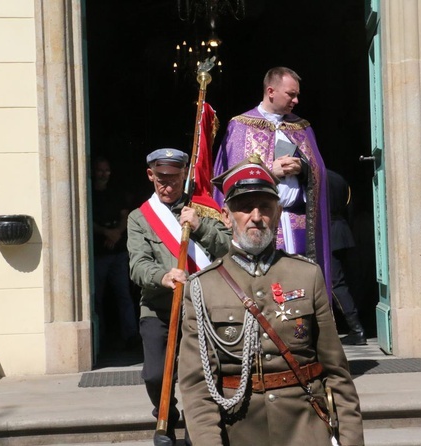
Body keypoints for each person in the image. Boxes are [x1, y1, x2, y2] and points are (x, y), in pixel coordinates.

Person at [178, 154, 365, 445]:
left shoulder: (307, 275)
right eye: (244, 208)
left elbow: (337, 373)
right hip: (238, 430)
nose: (255, 216)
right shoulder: (203, 287)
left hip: (305, 428)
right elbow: (196, 385)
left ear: (277, 213)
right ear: (226, 216)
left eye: (264, 207)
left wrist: (351, 440)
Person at [127, 148, 231, 445]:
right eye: (161, 179)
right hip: (158, 309)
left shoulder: (205, 209)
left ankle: (202, 430)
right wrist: (163, 276)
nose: (168, 186)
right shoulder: (139, 218)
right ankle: (166, 418)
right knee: (155, 375)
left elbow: (229, 251)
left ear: (185, 174)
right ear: (151, 175)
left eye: (173, 179)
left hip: (202, 309)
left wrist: (199, 227)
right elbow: (137, 264)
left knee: (203, 376)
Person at [213, 66, 331, 295]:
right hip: (260, 220)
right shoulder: (240, 126)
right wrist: (270, 172)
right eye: (291, 94)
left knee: (300, 287)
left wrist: (305, 169)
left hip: (297, 221)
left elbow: (321, 172)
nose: (296, 100)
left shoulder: (302, 127)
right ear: (271, 91)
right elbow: (231, 180)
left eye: (297, 94)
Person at [91, 155, 139, 350]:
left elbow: (124, 216)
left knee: (123, 295)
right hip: (97, 254)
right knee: (97, 298)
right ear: (93, 172)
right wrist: (105, 232)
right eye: (100, 170)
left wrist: (116, 233)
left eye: (106, 170)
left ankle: (131, 336)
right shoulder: (87, 193)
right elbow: (84, 217)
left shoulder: (116, 192)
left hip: (118, 252)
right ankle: (98, 340)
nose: (104, 174)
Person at [327, 169, 367, 345]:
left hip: (328, 232)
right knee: (340, 281)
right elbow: (349, 207)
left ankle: (357, 329)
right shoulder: (339, 177)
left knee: (336, 284)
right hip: (342, 232)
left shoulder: (315, 176)